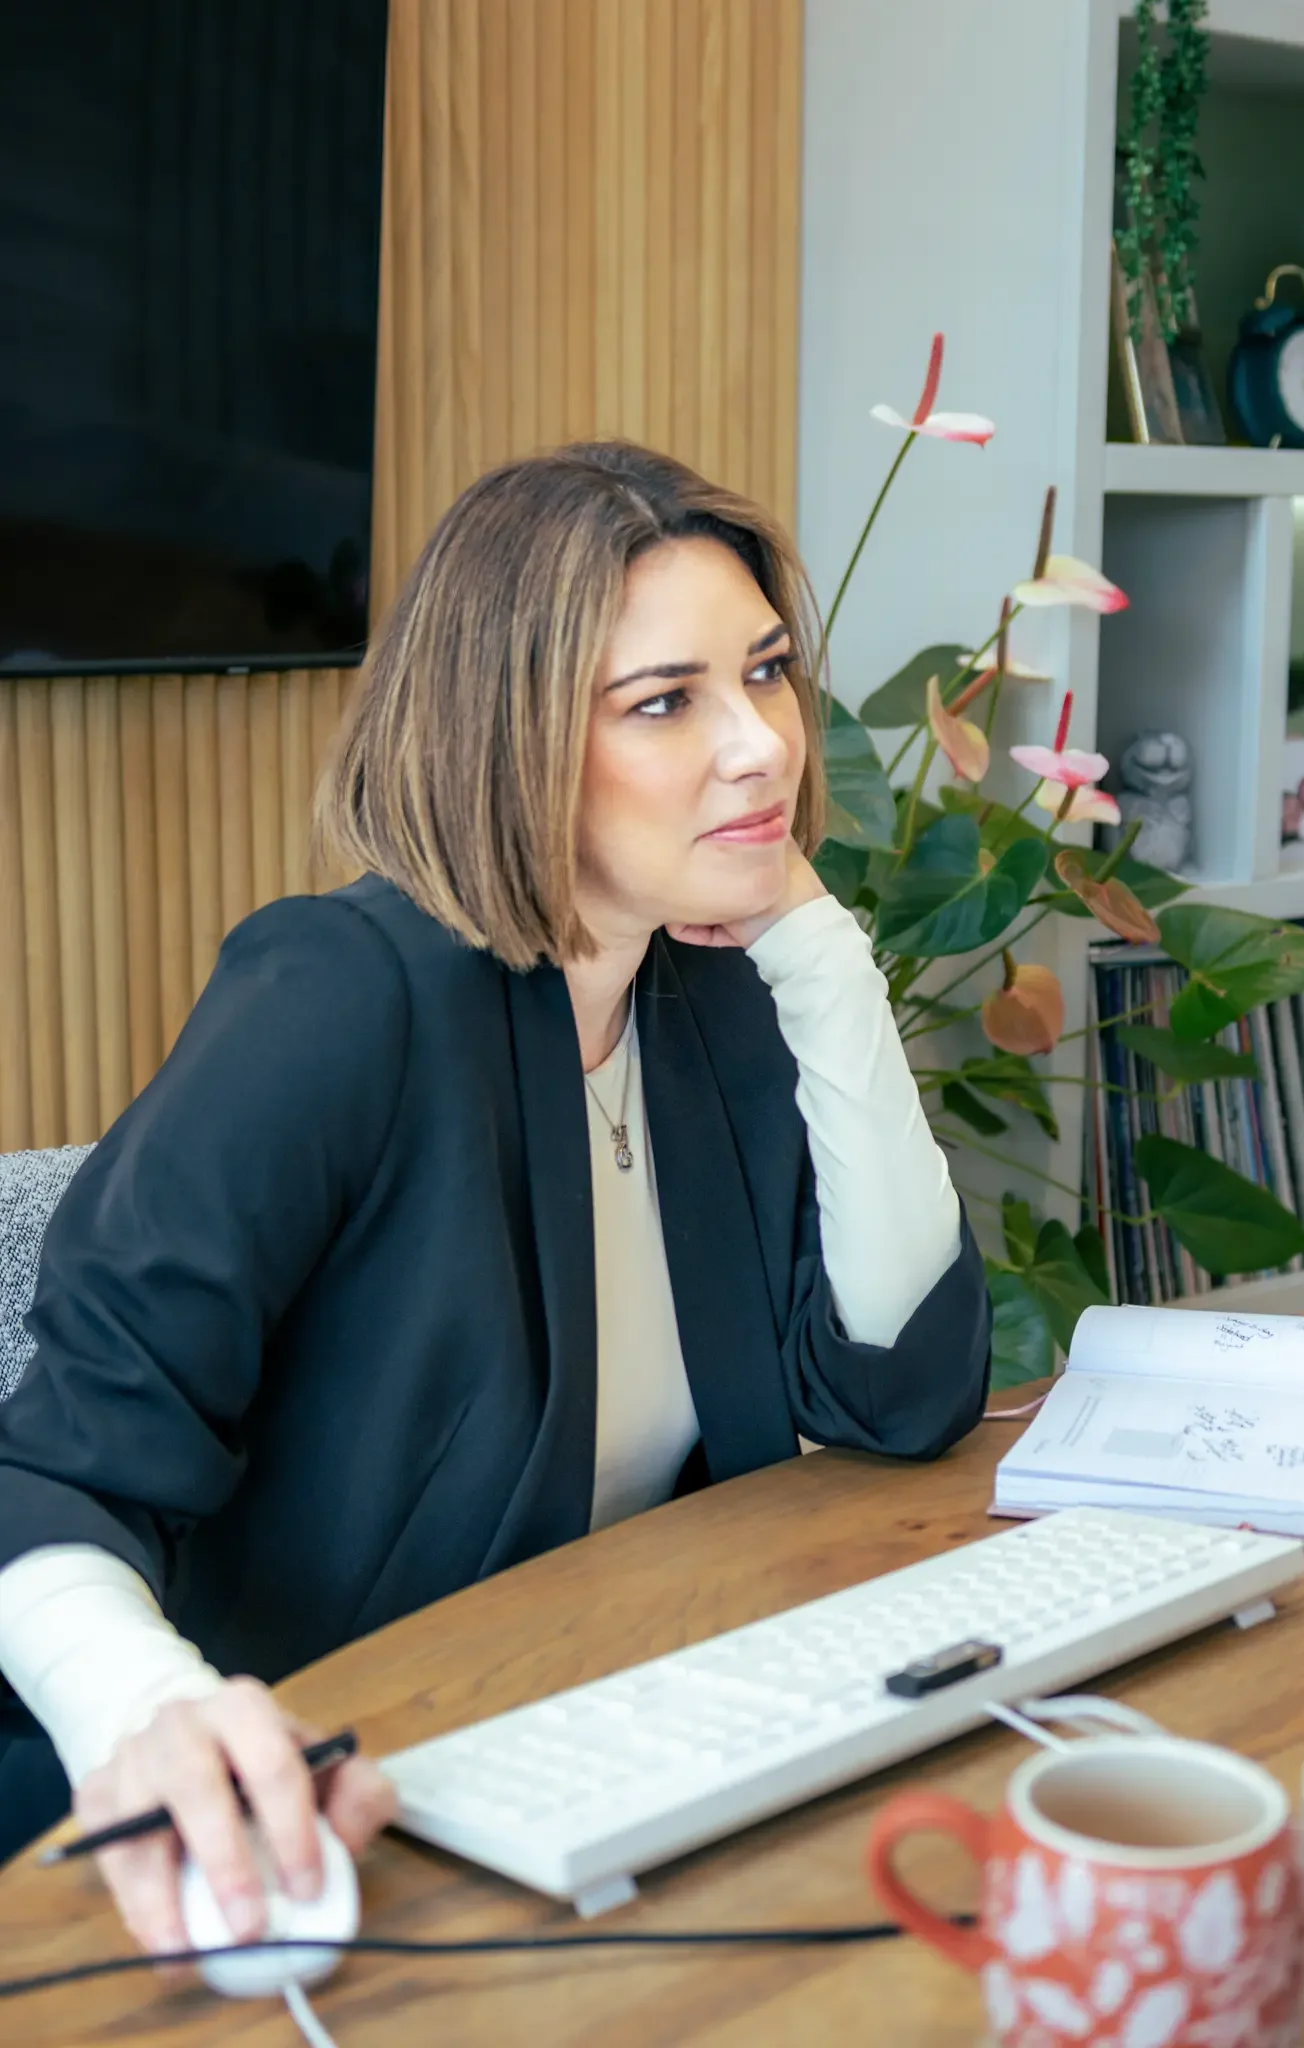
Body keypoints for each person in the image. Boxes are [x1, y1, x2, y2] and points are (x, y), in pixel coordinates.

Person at [0, 444, 990, 1945]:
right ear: (508, 733)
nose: (762, 746)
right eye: (665, 701)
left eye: (768, 673)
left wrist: (825, 957)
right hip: (296, 1814)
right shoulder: (336, 998)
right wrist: (151, 1714)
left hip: (601, 1753)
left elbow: (897, 1391)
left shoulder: (711, 991)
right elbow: (57, 1467)